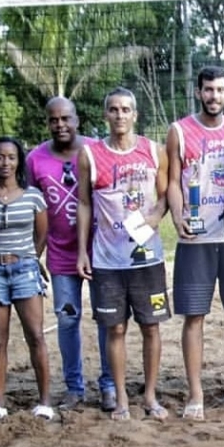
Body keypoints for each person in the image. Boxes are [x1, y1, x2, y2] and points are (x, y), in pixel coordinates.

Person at [166, 65, 224, 420]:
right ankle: (195, 395)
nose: (214, 96)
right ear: (198, 92)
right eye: (208, 90)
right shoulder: (179, 131)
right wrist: (177, 218)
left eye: (220, 90)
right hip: (196, 238)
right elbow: (173, 182)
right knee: (195, 317)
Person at [76, 87, 171, 421]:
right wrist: (82, 251)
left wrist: (156, 216)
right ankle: (121, 400)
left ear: (135, 114)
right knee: (115, 329)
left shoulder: (153, 151)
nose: (120, 115)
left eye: (126, 109)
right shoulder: (89, 154)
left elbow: (165, 197)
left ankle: (149, 396)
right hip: (107, 259)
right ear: (106, 115)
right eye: (114, 110)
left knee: (151, 327)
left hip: (147, 256)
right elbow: (84, 203)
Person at [26, 97, 114, 412]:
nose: (60, 125)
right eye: (54, 120)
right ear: (47, 122)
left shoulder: (96, 150)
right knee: (67, 319)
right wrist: (32, 252)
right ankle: (74, 387)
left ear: (77, 119)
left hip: (102, 252)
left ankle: (109, 385)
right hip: (60, 255)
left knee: (107, 319)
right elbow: (31, 207)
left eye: (66, 118)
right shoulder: (35, 160)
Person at [0, 136, 53, 421]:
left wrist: (30, 257)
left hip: (26, 270)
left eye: (11, 157)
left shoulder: (33, 196)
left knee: (36, 336)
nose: (6, 163)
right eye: (0, 157)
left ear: (19, 162)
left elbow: (42, 234)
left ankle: (44, 401)